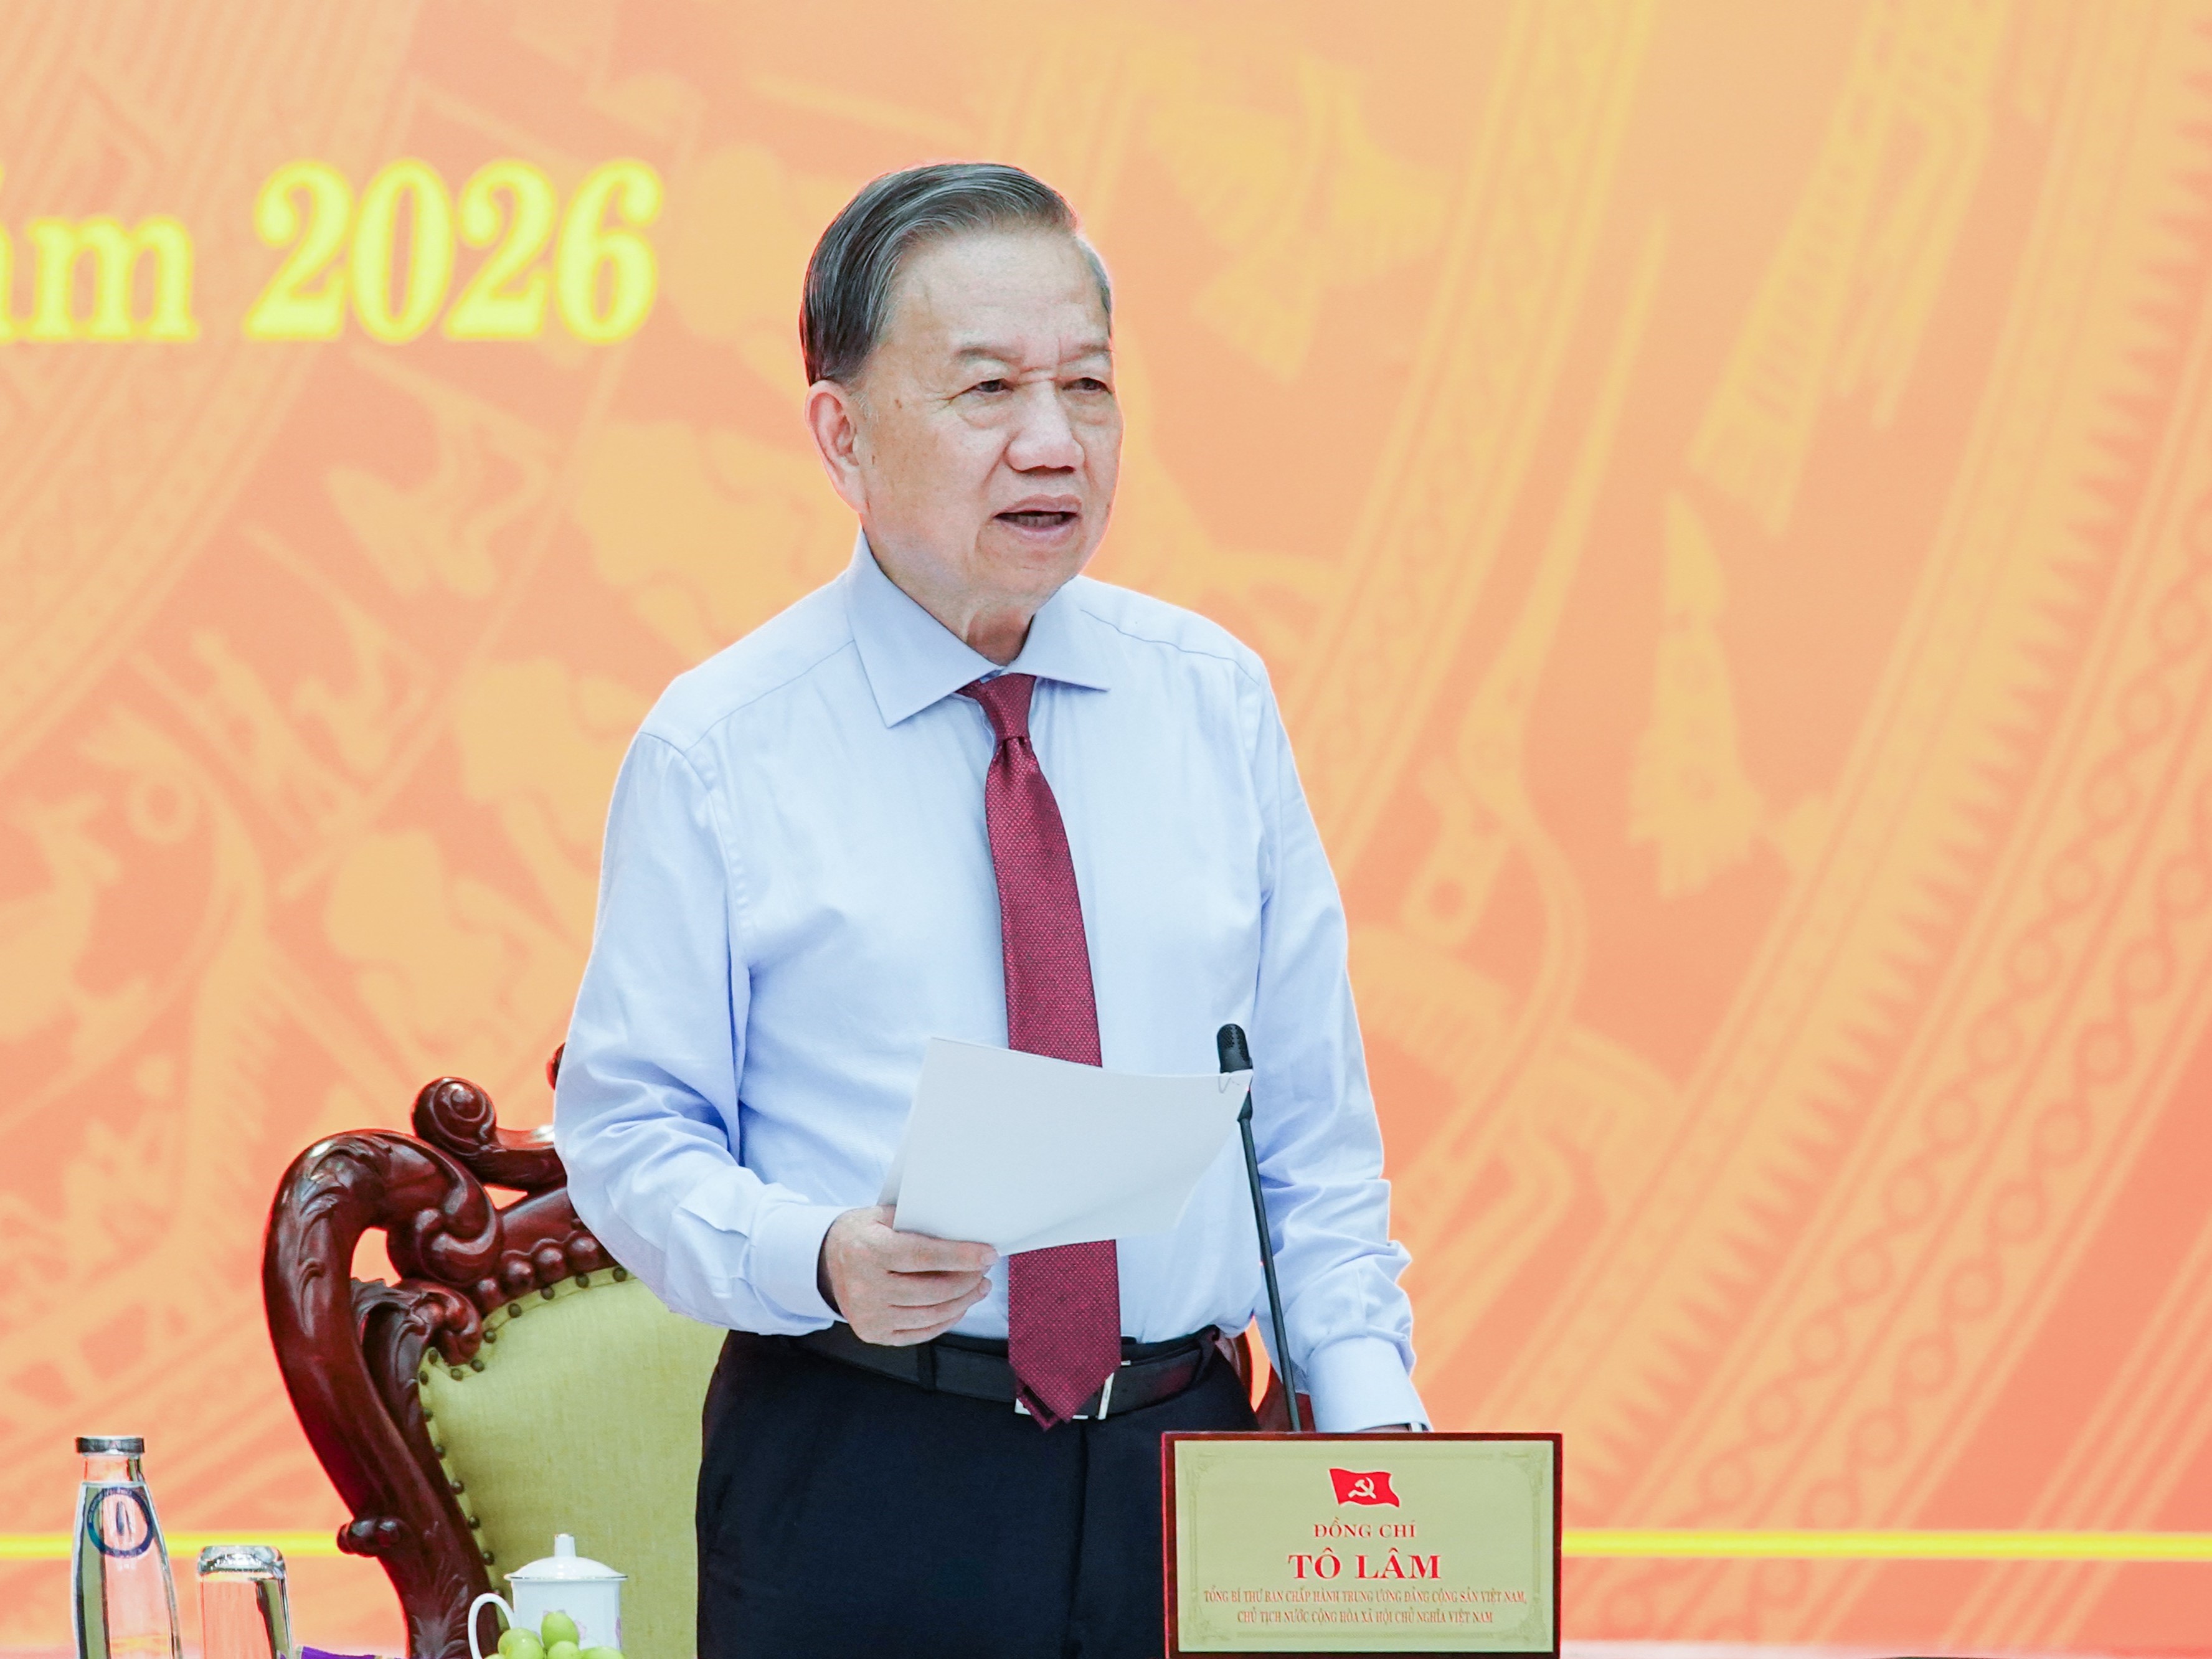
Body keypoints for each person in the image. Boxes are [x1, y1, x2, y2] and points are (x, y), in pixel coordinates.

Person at [554, 160, 1426, 1659]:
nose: (1053, 442)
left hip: (1187, 1460)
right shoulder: (722, 747)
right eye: (988, 390)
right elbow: (629, 1134)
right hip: (866, 1468)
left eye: (1088, 385)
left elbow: (1308, 1129)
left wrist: (1371, 1426)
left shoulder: (1212, 703)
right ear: (841, 435)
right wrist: (818, 1253)